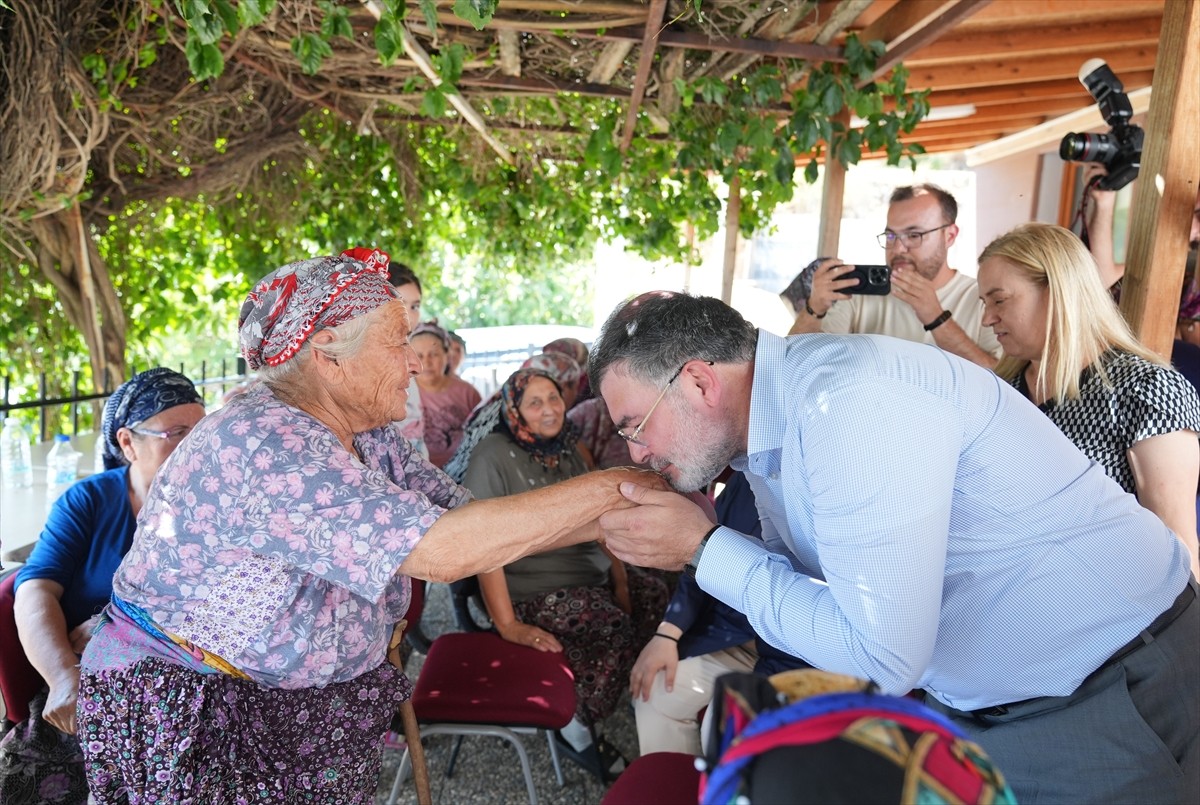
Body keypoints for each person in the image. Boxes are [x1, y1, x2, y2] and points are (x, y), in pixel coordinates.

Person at [74, 255, 667, 801]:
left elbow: (470, 521)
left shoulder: (366, 433)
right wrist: (615, 485)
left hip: (295, 713)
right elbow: (444, 550)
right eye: (397, 341)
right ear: (329, 355)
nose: (415, 359)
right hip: (205, 716)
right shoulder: (263, 441)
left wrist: (642, 501)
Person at [589, 290, 1198, 804]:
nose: (636, 454)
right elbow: (832, 590)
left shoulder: (847, 403)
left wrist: (705, 546)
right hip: (1009, 701)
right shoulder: (767, 436)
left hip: (1116, 688)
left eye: (634, 427)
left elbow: (882, 655)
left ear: (697, 381)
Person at [1, 368, 204, 804]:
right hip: (91, 683)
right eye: (178, 432)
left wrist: (123, 626)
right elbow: (35, 588)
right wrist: (62, 678)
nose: (197, 445)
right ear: (128, 442)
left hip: (187, 685)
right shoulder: (88, 501)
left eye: (203, 430)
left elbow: (230, 601)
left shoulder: (217, 507)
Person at [460, 367, 668, 780]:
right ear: (513, 409)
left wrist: (622, 581)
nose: (549, 410)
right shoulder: (492, 455)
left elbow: (603, 518)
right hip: (534, 585)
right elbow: (481, 545)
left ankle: (631, 698)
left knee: (659, 597)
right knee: (612, 627)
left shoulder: (572, 448)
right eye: (534, 403)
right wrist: (507, 624)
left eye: (553, 398)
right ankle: (573, 726)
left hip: (589, 574)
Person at [979, 222, 1200, 578]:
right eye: (984, 303)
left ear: (1058, 291)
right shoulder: (999, 392)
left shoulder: (1146, 390)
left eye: (999, 300)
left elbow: (1177, 549)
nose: (987, 318)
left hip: (1118, 618)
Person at [630, 470, 809, 757]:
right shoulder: (747, 474)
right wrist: (668, 631)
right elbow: (702, 551)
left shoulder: (825, 484)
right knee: (656, 693)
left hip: (803, 653)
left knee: (723, 729)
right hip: (734, 634)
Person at [789, 184, 1001, 369]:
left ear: (950, 236)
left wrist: (937, 319)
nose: (898, 248)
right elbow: (797, 362)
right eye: (891, 235)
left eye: (913, 235)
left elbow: (1004, 382)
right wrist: (814, 308)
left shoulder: (982, 298)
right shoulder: (861, 292)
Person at [343, 247, 431, 460]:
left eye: (415, 306)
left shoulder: (409, 355)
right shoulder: (358, 352)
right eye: (401, 303)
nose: (409, 314)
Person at [409, 320, 481, 467]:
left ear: (447, 355)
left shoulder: (468, 393)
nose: (426, 362)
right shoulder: (403, 393)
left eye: (434, 354)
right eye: (419, 355)